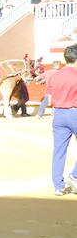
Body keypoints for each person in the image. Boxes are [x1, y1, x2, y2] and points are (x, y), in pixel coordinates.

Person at [47, 44, 77, 196]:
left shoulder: (54, 75)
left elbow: (51, 98)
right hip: (74, 112)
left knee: (59, 150)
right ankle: (75, 176)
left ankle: (58, 186)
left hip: (58, 114)